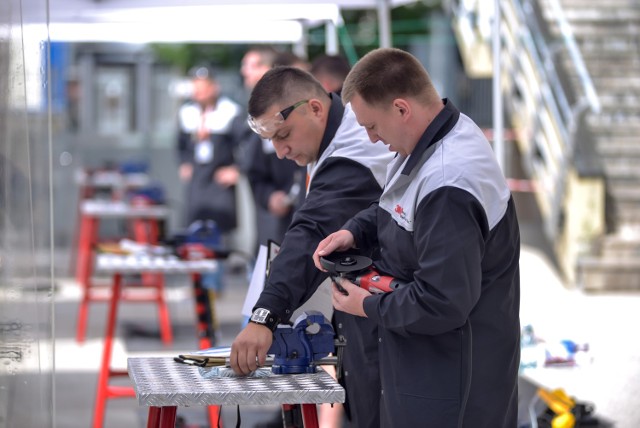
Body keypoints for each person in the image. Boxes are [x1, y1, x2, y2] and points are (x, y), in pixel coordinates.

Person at [312, 47, 521, 427]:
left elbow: (442, 301)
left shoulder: (448, 183)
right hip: (427, 367)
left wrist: (367, 306)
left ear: (401, 109)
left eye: (372, 126)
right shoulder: (435, 137)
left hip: (452, 387)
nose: (373, 139)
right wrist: (354, 230)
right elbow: (394, 205)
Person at [229, 66, 395, 427]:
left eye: (284, 135)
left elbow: (309, 235)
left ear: (316, 109)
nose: (280, 151)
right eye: (271, 141)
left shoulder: (353, 153)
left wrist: (265, 315)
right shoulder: (338, 132)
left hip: (390, 318)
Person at [176, 65, 241, 338]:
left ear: (214, 87)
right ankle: (200, 286)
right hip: (198, 182)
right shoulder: (187, 113)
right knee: (196, 233)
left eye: (203, 89)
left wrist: (236, 169)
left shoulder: (230, 113)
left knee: (218, 235)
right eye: (195, 90)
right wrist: (184, 164)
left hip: (219, 182)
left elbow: (244, 146)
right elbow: (179, 145)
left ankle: (213, 287)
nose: (199, 94)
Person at [236, 47, 307, 253]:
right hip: (276, 228)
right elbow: (254, 169)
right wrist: (269, 196)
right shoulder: (258, 118)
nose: (281, 149)